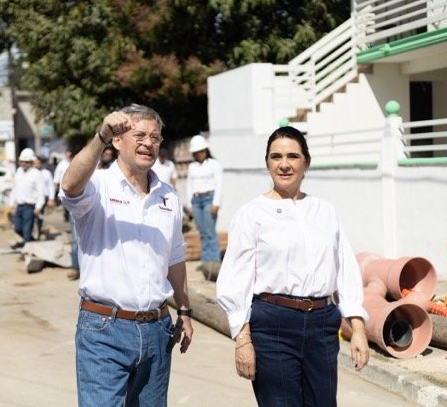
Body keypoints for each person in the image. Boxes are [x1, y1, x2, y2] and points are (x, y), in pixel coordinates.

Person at [215, 126, 369, 406]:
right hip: (273, 325)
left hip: (323, 325)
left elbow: (345, 268)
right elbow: (235, 278)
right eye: (276, 157)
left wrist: (357, 328)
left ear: (306, 162)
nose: (284, 164)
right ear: (267, 163)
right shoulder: (251, 214)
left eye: (292, 156)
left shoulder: (325, 211)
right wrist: (243, 339)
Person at [59, 104, 193, 406]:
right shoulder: (98, 186)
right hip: (104, 330)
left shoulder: (168, 196)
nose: (148, 143)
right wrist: (100, 137)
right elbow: (69, 186)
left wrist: (184, 310)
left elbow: (174, 257)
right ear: (118, 140)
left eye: (155, 137)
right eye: (140, 135)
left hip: (158, 329)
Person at [185, 134, 223, 281]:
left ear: (206, 150)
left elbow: (219, 184)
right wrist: (190, 204)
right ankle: (205, 262)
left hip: (209, 199)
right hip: (196, 201)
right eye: (197, 152)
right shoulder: (191, 166)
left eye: (201, 151)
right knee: (202, 232)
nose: (200, 154)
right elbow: (189, 185)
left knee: (210, 232)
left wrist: (216, 203)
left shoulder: (214, 164)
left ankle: (213, 263)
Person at [9, 148, 45, 248]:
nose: (23, 163)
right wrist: (11, 203)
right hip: (19, 206)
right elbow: (15, 188)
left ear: (31, 162)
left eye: (26, 161)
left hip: (29, 207)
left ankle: (27, 249)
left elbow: (41, 192)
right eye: (22, 161)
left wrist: (38, 207)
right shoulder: (18, 172)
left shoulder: (36, 174)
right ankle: (30, 242)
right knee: (17, 228)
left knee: (27, 230)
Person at [33, 156, 56, 239]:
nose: (37, 165)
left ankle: (38, 232)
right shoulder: (29, 173)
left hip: (43, 198)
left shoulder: (46, 173)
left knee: (39, 216)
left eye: (38, 163)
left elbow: (50, 186)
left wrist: (51, 198)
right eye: (35, 163)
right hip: (32, 198)